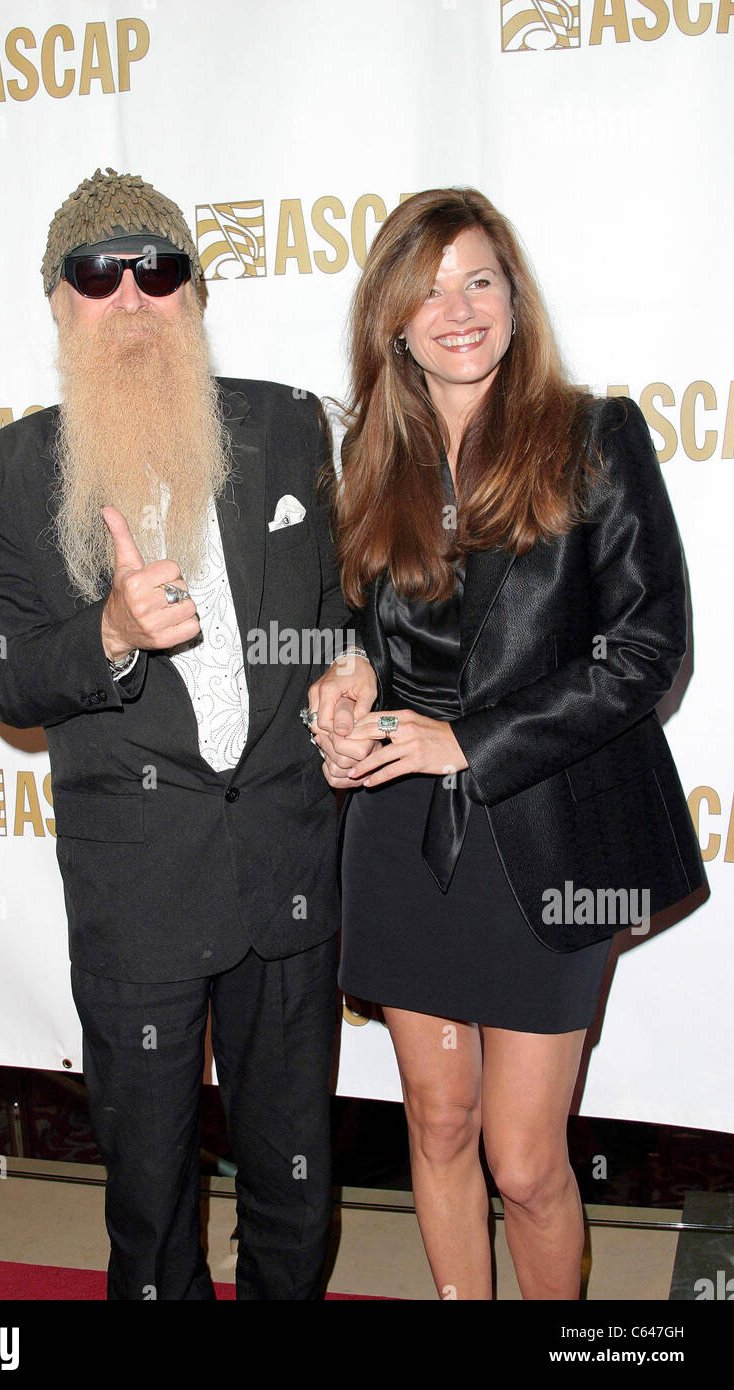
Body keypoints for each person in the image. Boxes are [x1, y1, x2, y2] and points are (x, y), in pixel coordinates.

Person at [0, 167, 363, 1300]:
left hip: (285, 862)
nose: (129, 294)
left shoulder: (284, 428)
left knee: (295, 1173)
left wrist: (348, 666)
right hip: (136, 891)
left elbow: (341, 606)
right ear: (56, 299)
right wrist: (110, 631)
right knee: (148, 1190)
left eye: (158, 268)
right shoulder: (0, 480)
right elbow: (9, 681)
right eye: (98, 272)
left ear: (193, 292)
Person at [308, 187, 707, 1300]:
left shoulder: (590, 434)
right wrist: (343, 682)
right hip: (397, 831)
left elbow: (644, 651)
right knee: (435, 1123)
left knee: (525, 1160)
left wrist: (464, 742)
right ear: (389, 320)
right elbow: (358, 623)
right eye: (426, 288)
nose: (457, 307)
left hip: (546, 827)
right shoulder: (369, 456)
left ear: (513, 297)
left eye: (478, 278)